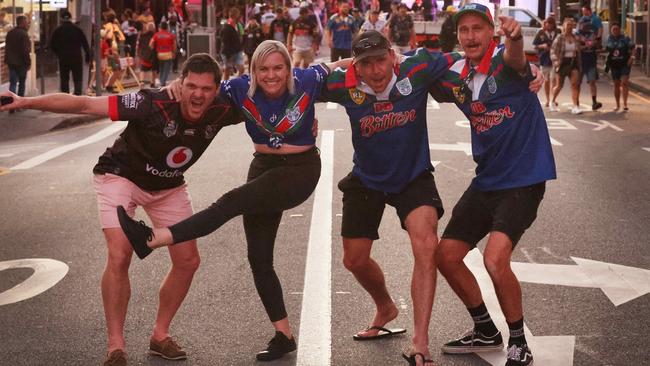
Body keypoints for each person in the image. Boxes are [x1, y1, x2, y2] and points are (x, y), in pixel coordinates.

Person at [0, 53, 242, 366]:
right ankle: (116, 346)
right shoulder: (149, 103)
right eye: (191, 86)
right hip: (120, 175)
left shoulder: (224, 109)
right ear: (180, 85)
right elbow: (85, 104)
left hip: (168, 186)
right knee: (120, 252)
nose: (197, 94)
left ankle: (160, 335)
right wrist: (24, 102)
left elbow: (274, 93)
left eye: (206, 89)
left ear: (217, 91)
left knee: (188, 260)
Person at [117, 40, 351, 362]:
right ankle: (283, 335)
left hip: (300, 170)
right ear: (253, 71)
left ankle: (153, 239)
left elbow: (339, 66)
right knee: (258, 257)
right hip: (263, 166)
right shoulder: (240, 89)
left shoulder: (307, 80)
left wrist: (382, 59)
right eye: (263, 69)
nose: (271, 75)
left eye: (278, 67)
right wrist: (176, 84)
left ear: (288, 67)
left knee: (229, 202)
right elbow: (204, 90)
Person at [322, 29, 462, 366]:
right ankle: (385, 306)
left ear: (393, 56)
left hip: (412, 176)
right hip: (367, 177)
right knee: (354, 260)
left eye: (381, 60)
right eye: (366, 63)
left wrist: (529, 69)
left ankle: (420, 342)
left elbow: (470, 56)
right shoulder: (345, 84)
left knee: (426, 244)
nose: (376, 70)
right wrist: (338, 64)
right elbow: (296, 79)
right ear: (357, 65)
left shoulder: (417, 69)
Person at [430, 4, 556, 366]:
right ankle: (485, 328)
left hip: (524, 179)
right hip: (487, 180)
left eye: (478, 29)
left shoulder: (507, 61)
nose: (470, 36)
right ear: (457, 36)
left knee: (495, 259)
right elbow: (405, 67)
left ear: (490, 32)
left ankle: (519, 340)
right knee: (446, 256)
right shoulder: (455, 74)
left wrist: (516, 37)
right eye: (464, 30)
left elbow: (519, 60)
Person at [50, 10, 91, 96]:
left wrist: (58, 54)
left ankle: (66, 97)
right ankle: (77, 95)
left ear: (61, 19)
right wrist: (88, 55)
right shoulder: (77, 29)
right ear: (70, 18)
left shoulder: (58, 30)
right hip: (76, 58)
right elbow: (85, 43)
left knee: (64, 78)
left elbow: (52, 45)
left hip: (63, 58)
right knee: (77, 78)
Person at [550, 17, 582, 114]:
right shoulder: (560, 37)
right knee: (559, 85)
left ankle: (575, 106)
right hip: (562, 62)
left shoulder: (575, 38)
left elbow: (579, 50)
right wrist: (556, 62)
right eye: (567, 25)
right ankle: (552, 101)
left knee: (574, 85)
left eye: (571, 25)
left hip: (573, 62)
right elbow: (552, 51)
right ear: (564, 26)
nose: (569, 27)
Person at [605, 22, 635, 111]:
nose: (615, 31)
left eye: (616, 29)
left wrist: (632, 58)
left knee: (624, 83)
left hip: (624, 64)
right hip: (614, 65)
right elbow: (607, 50)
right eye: (613, 29)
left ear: (619, 30)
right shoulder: (609, 39)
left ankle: (625, 104)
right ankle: (617, 105)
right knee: (616, 84)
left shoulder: (625, 38)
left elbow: (633, 48)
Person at [576, 17, 602, 111]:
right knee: (578, 83)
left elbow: (596, 43)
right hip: (580, 61)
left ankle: (594, 101)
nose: (586, 25)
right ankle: (576, 102)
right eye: (585, 23)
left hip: (591, 60)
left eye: (588, 23)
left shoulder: (592, 33)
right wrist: (586, 45)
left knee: (592, 81)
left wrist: (594, 43)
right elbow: (577, 47)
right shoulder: (577, 34)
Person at [532, 16, 557, 108]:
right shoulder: (540, 32)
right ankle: (547, 99)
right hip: (544, 59)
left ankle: (553, 99)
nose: (549, 25)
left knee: (554, 80)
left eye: (551, 23)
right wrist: (542, 46)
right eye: (547, 23)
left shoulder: (558, 32)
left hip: (555, 60)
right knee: (546, 80)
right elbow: (534, 46)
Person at [5, 15, 31, 100]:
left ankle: (11, 103)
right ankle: (20, 103)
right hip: (21, 63)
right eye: (26, 22)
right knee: (22, 83)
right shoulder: (24, 34)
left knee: (12, 83)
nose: (27, 24)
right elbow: (25, 50)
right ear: (22, 23)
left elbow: (7, 47)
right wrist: (28, 63)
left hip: (11, 62)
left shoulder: (10, 33)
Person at [220, 7, 245, 80]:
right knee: (227, 70)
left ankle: (236, 83)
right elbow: (225, 43)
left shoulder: (238, 25)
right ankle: (226, 84)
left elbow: (241, 36)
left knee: (241, 68)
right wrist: (228, 57)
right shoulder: (226, 27)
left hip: (238, 50)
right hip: (228, 52)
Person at [150, 21, 176, 87]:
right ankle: (163, 82)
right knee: (166, 69)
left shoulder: (156, 35)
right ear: (167, 27)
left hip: (159, 54)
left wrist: (153, 49)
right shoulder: (171, 35)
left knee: (161, 68)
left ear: (160, 27)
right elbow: (174, 45)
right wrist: (174, 53)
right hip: (168, 54)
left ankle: (161, 80)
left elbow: (151, 44)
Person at [137, 22, 158, 87]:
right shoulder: (154, 35)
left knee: (143, 69)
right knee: (153, 69)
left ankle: (142, 82)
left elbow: (138, 45)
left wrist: (139, 53)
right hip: (152, 55)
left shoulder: (141, 35)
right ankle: (152, 83)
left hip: (144, 54)